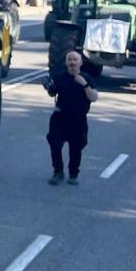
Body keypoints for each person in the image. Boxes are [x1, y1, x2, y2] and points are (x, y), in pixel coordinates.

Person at [44, 50, 98, 185]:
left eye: (75, 60)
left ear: (80, 62)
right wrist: (48, 87)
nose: (72, 62)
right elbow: (52, 92)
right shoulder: (59, 77)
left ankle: (73, 173)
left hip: (78, 119)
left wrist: (84, 84)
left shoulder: (87, 78)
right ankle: (58, 172)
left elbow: (94, 97)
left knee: (76, 147)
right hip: (60, 117)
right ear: (66, 62)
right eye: (70, 60)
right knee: (54, 143)